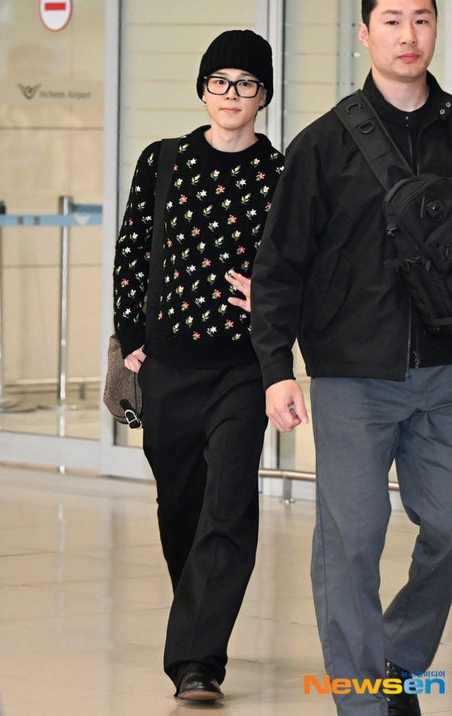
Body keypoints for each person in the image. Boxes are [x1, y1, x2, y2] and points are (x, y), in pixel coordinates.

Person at [251, 1, 452, 715]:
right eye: (391, 20)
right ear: (365, 33)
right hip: (351, 379)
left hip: (445, 373)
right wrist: (276, 368)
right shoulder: (323, 144)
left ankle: (399, 659)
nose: (408, 35)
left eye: (421, 18)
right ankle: (365, 703)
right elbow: (279, 266)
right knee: (353, 542)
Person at [113, 29, 284, 701]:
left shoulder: (282, 174)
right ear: (203, 90)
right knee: (181, 505)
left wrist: (273, 297)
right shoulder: (164, 161)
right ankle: (199, 615)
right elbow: (133, 248)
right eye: (220, 81)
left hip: (242, 368)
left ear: (264, 95)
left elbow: (304, 261)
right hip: (169, 367)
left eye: (246, 83)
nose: (231, 94)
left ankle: (197, 662)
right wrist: (131, 333)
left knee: (228, 505)